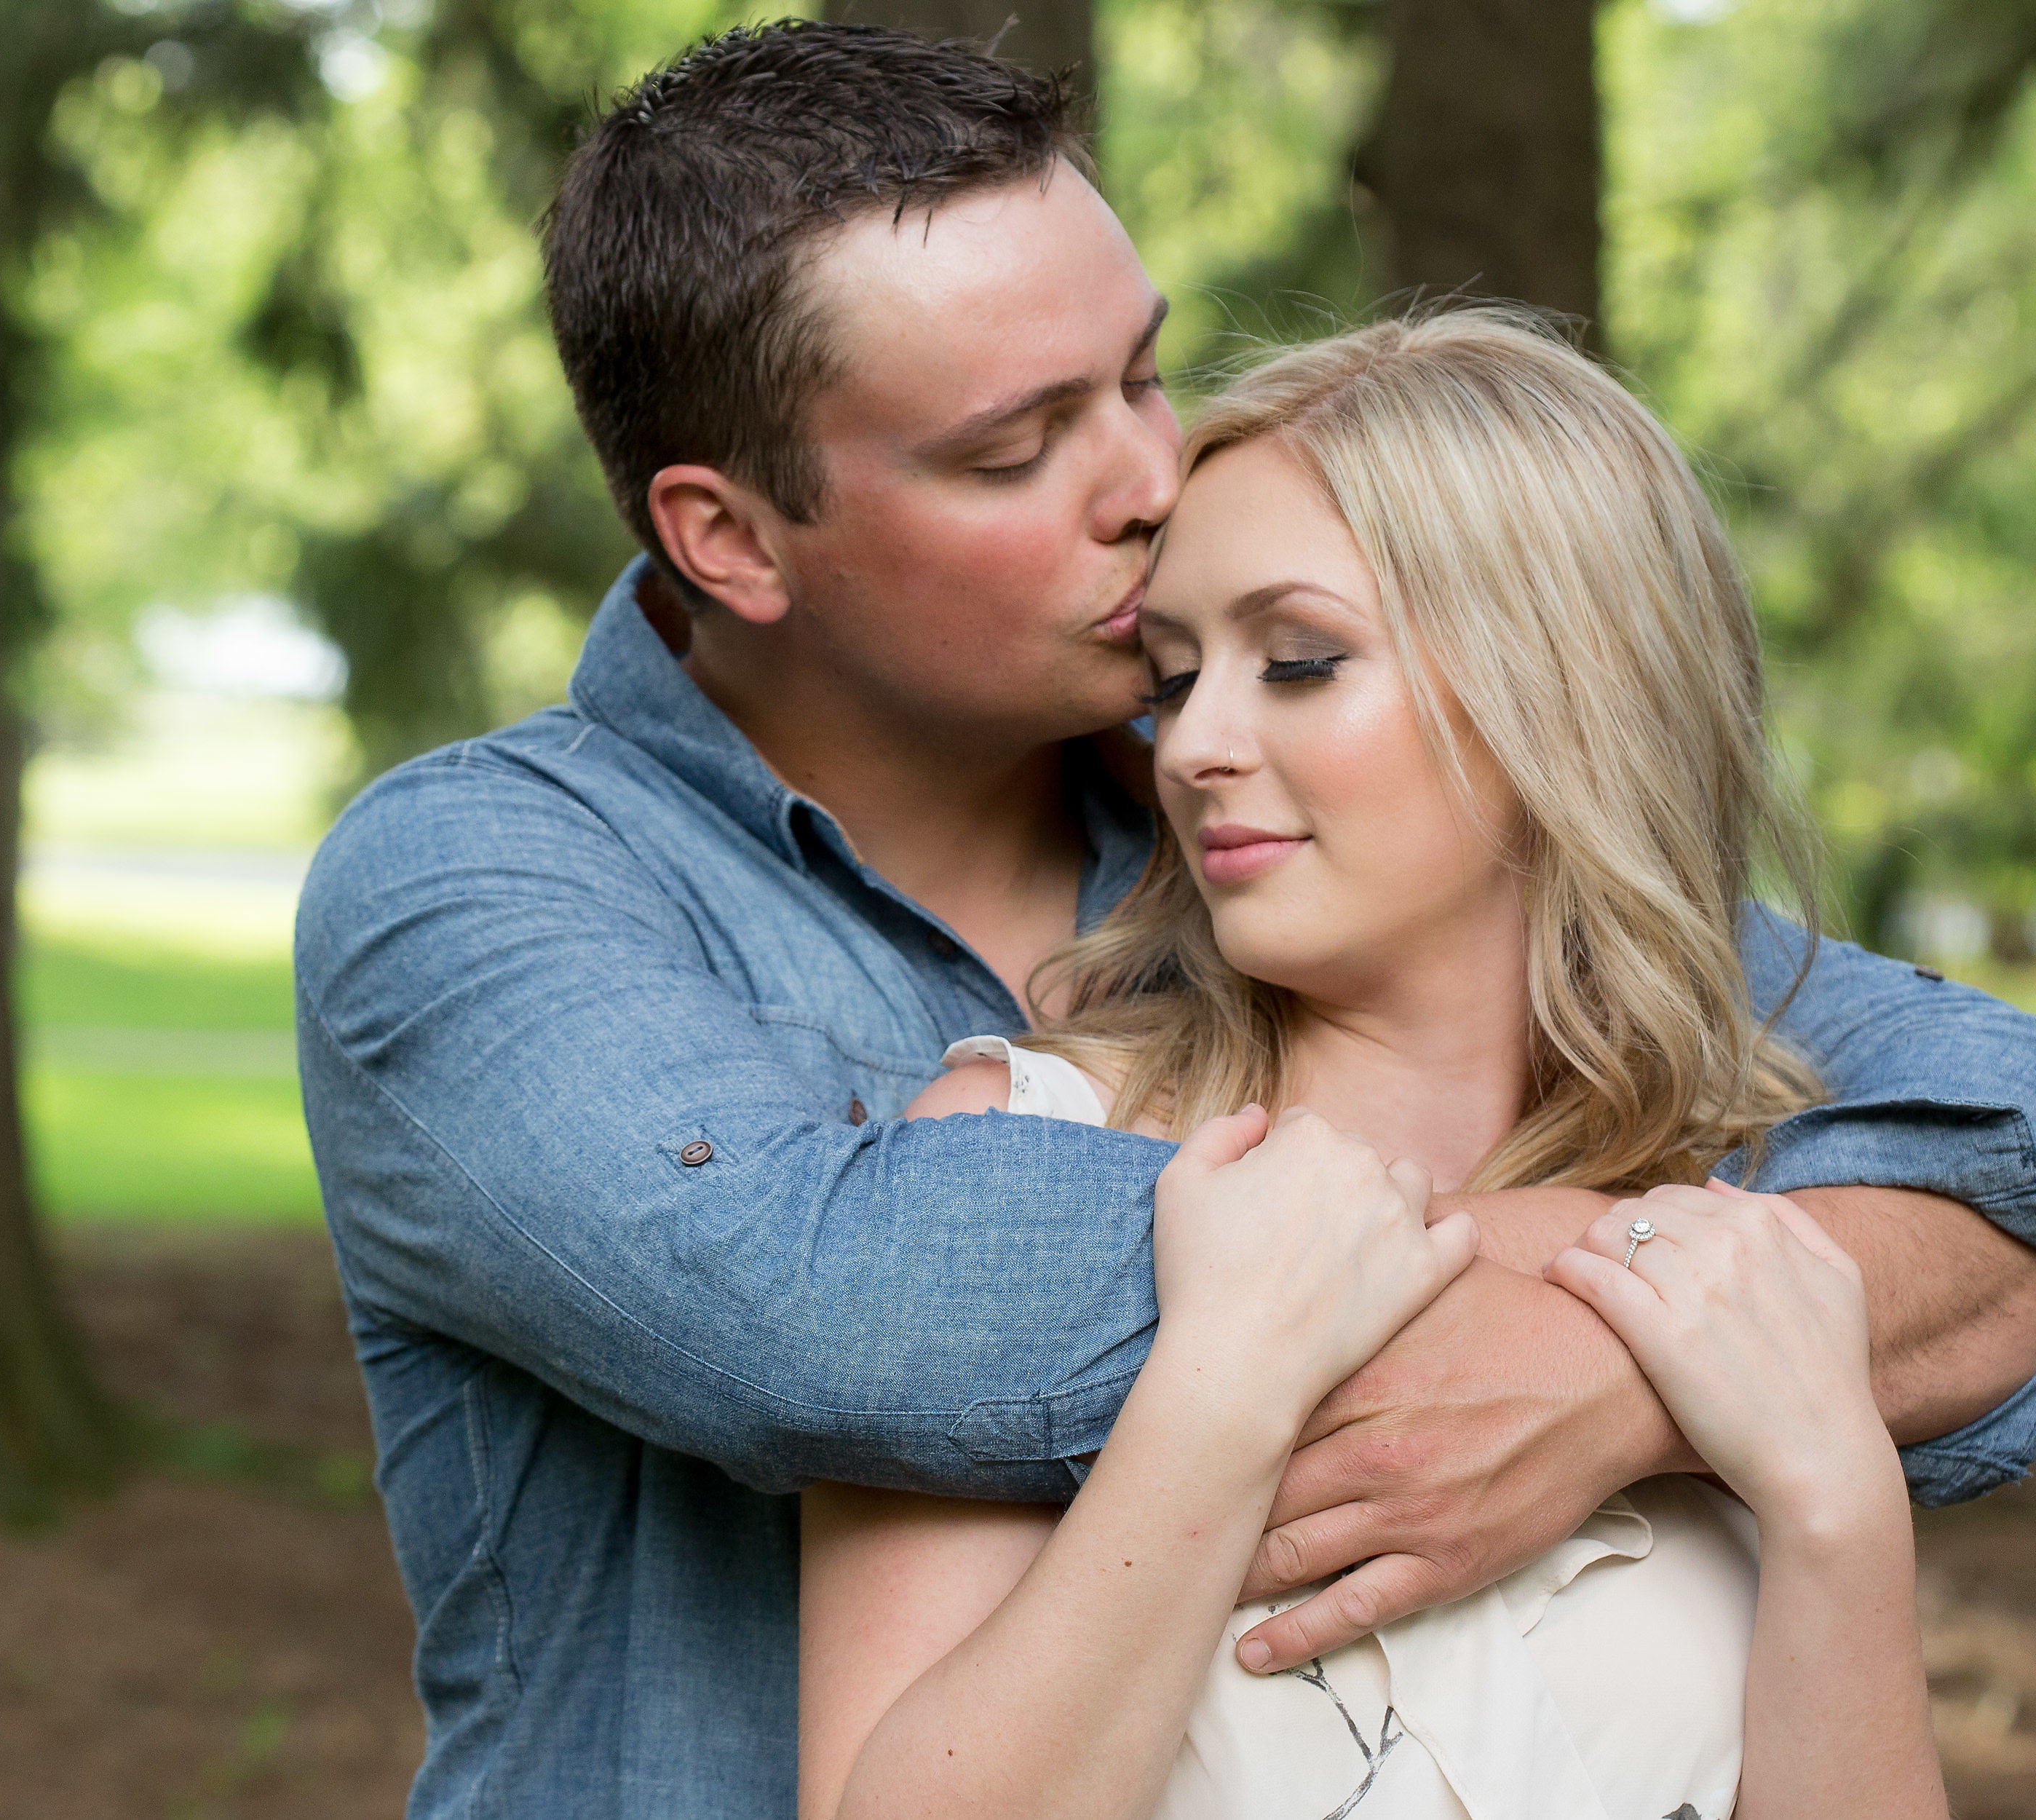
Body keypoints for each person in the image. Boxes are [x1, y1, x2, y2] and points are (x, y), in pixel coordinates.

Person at [290, 22, 2036, 1819]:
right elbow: (831, 1310)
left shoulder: (1286, 835)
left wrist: (1606, 1377)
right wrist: (1657, 1293)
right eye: (1016, 443)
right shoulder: (477, 886)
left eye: (1137, 373)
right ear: (730, 539)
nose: (1144, 479)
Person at [800, 310, 1947, 1820]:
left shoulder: (1742, 1207)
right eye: (1175, 670)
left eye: (1297, 661)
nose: (1193, 743)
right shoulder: (1016, 1150)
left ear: (1567, 686)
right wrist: (1226, 1377)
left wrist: (1835, 1508)